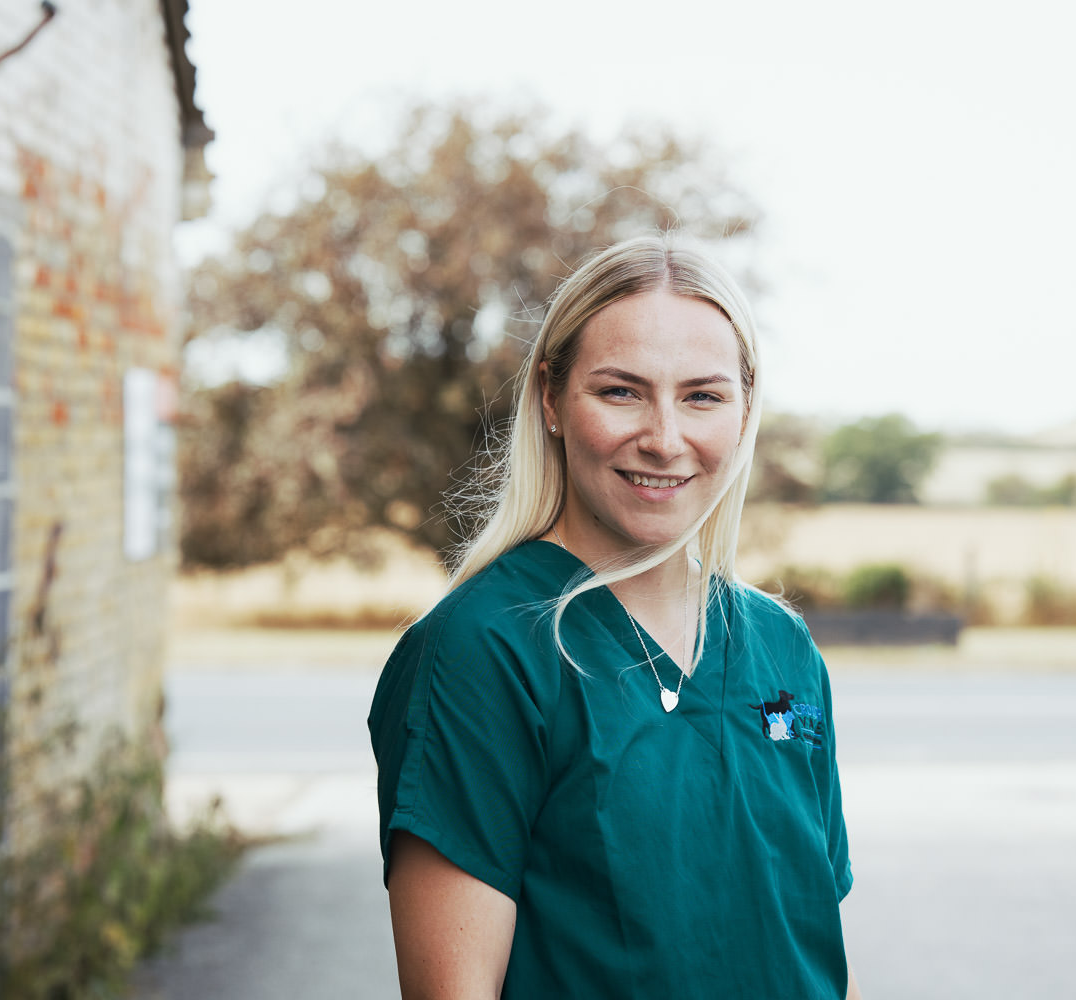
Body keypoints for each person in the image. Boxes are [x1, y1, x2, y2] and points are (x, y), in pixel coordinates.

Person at [368, 234, 861, 999]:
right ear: (550, 400)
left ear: (744, 410)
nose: (665, 440)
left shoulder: (781, 651)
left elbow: (814, 948)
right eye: (621, 391)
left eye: (703, 395)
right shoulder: (483, 651)